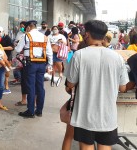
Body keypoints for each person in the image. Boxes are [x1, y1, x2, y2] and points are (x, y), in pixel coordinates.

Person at [65, 20, 128, 149]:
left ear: (87, 34)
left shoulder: (79, 55)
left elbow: (70, 84)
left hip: (84, 116)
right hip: (107, 117)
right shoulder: (117, 58)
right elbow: (123, 88)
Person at [15, 20, 53, 118]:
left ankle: (30, 111)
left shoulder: (26, 36)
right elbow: (49, 52)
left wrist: (17, 45)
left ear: (28, 27)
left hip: (30, 64)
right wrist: (49, 65)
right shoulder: (45, 37)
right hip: (42, 64)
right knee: (40, 87)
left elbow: (18, 50)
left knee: (31, 87)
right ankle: (39, 110)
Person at [0, 26, 14, 94]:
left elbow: (12, 47)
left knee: (6, 72)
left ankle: (6, 85)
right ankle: (0, 86)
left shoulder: (7, 38)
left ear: (3, 32)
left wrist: (2, 48)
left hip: (7, 57)